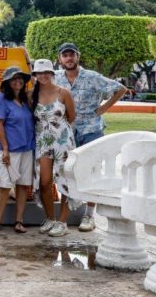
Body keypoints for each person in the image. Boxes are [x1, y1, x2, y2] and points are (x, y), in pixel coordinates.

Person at [54, 42, 127, 232]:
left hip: (91, 129)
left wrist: (104, 108)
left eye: (72, 55)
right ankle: (63, 217)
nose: (69, 58)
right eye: (65, 55)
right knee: (67, 170)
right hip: (68, 130)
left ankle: (88, 215)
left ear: (78, 57)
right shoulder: (57, 78)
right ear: (60, 59)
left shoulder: (92, 77)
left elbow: (121, 88)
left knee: (92, 171)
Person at [0, 66, 35, 234]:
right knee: (5, 185)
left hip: (28, 147)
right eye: (14, 78)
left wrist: (28, 61)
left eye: (20, 78)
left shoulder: (26, 99)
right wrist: (4, 148)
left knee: (22, 185)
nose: (18, 81)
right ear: (7, 82)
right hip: (10, 149)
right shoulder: (1, 98)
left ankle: (19, 221)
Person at [31, 59, 78, 237]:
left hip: (63, 141)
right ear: (35, 75)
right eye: (39, 73)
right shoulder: (31, 95)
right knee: (44, 182)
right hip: (42, 141)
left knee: (65, 181)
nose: (43, 75)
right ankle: (50, 218)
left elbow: (71, 117)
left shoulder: (63, 93)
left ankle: (63, 221)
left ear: (52, 73)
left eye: (46, 72)